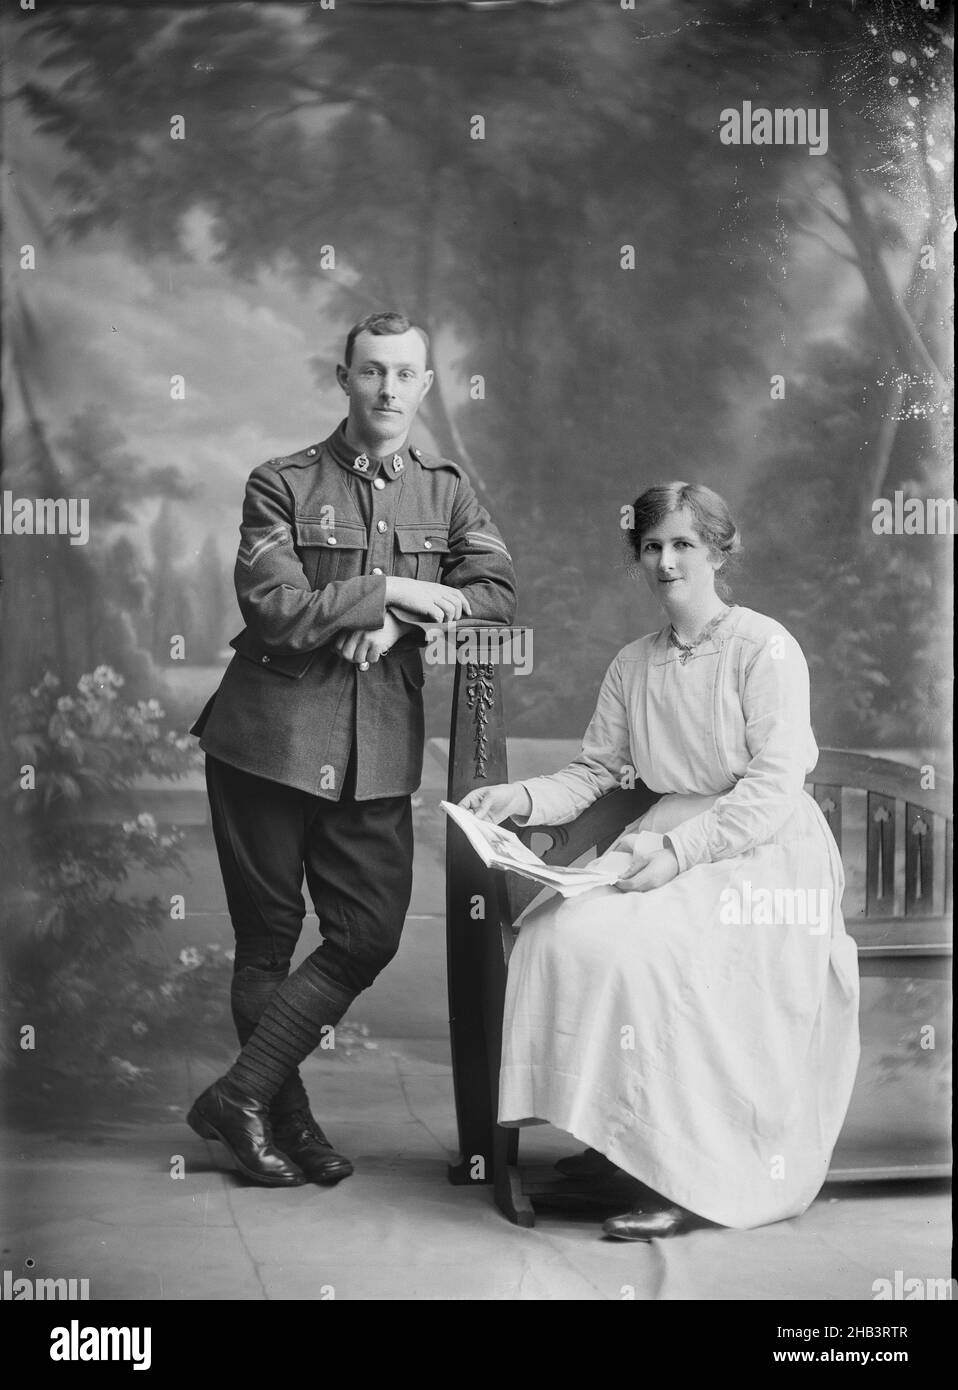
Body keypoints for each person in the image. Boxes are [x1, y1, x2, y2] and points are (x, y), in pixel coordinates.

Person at [460, 483, 860, 1239]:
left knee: (656, 958)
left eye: (683, 544)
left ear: (716, 550)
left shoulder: (763, 647)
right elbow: (596, 772)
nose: (666, 561)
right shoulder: (633, 664)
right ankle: (615, 1139)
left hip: (764, 853)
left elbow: (774, 785)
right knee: (559, 937)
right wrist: (515, 799)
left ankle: (682, 1172)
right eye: (652, 547)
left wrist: (679, 851)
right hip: (663, 842)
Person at [188, 311, 517, 1187]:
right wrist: (394, 588)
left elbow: (494, 593)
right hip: (267, 739)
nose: (388, 390)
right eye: (370, 373)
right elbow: (277, 609)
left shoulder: (447, 491)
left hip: (376, 748)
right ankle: (280, 1121)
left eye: (405, 374)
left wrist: (400, 618)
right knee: (267, 943)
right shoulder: (282, 482)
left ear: (425, 385)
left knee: (367, 933)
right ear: (345, 381)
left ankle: (241, 1096)